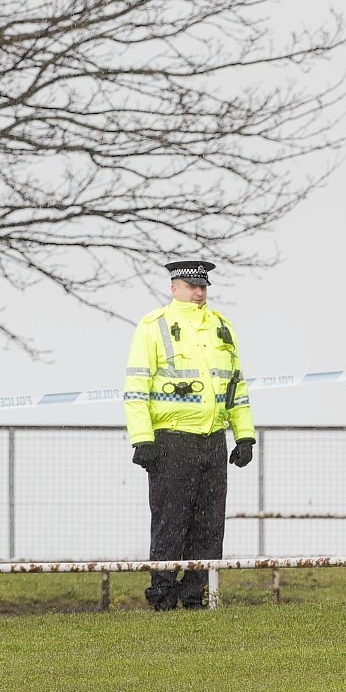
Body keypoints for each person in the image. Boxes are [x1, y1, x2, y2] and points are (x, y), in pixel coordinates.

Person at [123, 259, 255, 611]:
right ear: (174, 287)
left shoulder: (222, 326)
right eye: (191, 285)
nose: (198, 292)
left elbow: (235, 387)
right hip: (171, 440)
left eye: (203, 286)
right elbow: (136, 387)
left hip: (213, 439)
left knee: (209, 524)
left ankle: (196, 595)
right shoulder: (154, 325)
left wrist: (244, 436)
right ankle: (163, 596)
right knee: (170, 522)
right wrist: (142, 438)